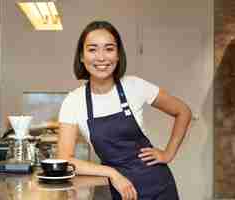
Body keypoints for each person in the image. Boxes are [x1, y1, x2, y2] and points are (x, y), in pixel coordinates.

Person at [57, 20, 192, 200]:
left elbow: (183, 111)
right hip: (118, 188)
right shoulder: (73, 101)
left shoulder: (135, 86)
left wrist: (168, 153)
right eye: (92, 49)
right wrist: (112, 173)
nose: (101, 57)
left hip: (158, 185)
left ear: (118, 55)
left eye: (109, 49)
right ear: (81, 56)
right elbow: (65, 160)